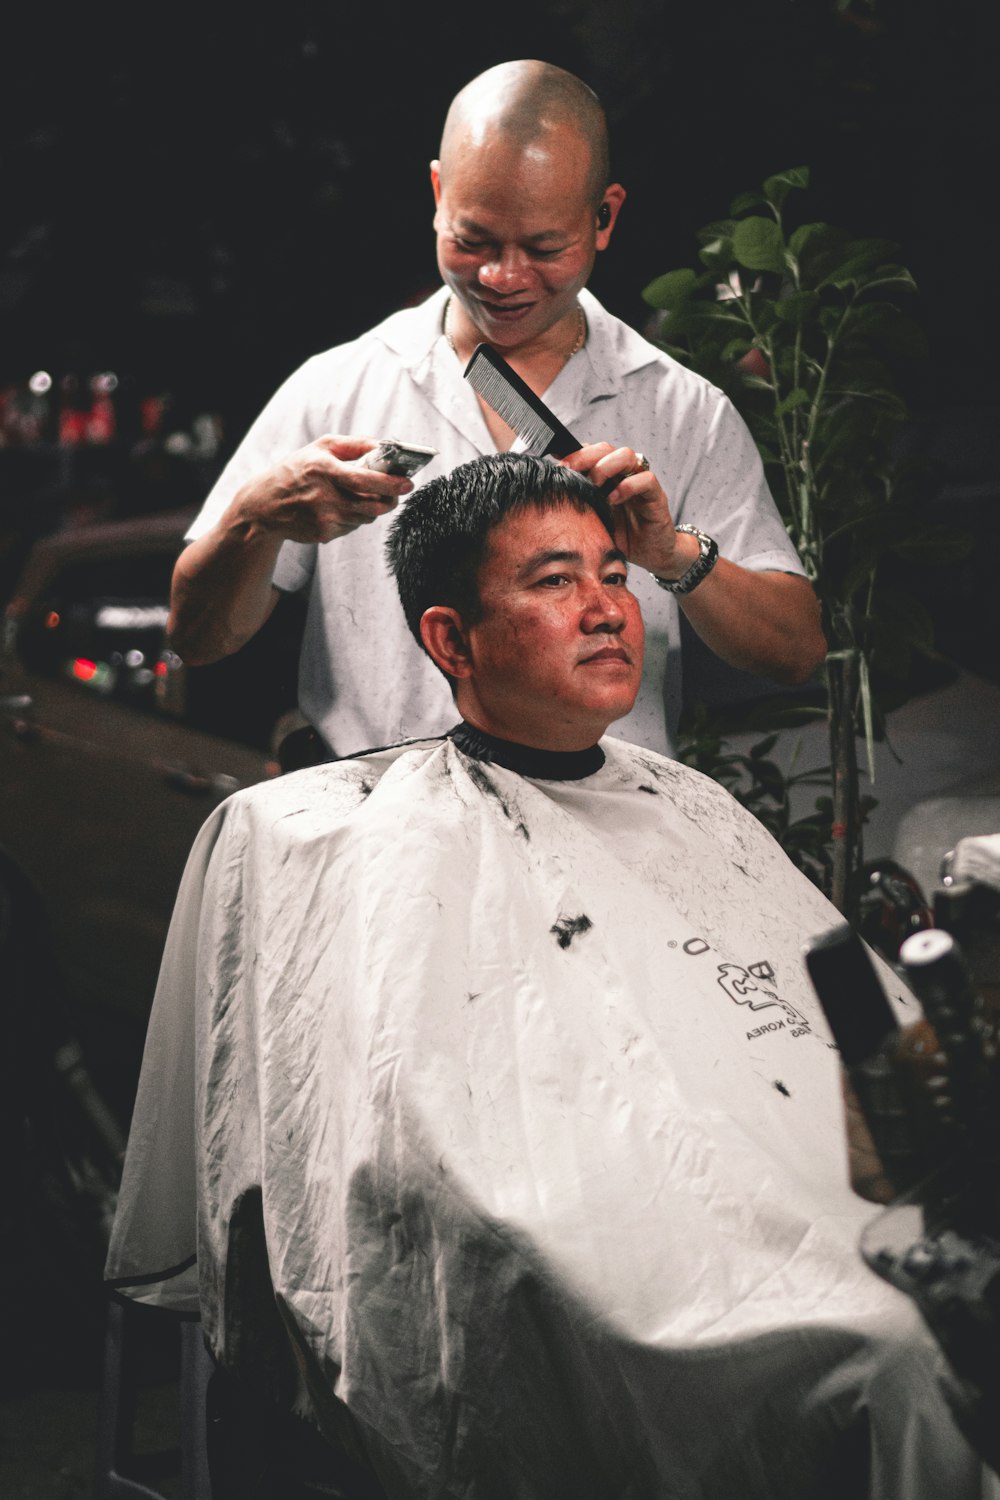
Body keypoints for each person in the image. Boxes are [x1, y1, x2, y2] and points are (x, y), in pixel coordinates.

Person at [109, 454, 994, 1499]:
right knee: (913, 1344)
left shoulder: (684, 802)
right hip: (633, 1246)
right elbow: (432, 1155)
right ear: (450, 639)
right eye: (553, 581)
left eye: (613, 575)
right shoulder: (407, 842)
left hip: (825, 1195)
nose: (607, 609)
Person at [167, 59, 825, 761]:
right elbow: (198, 638)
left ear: (604, 217)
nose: (503, 278)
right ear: (437, 193)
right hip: (383, 846)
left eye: (544, 248)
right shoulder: (337, 387)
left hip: (603, 849)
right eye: (472, 240)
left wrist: (672, 555)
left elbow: (795, 652)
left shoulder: (683, 409)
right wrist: (256, 515)